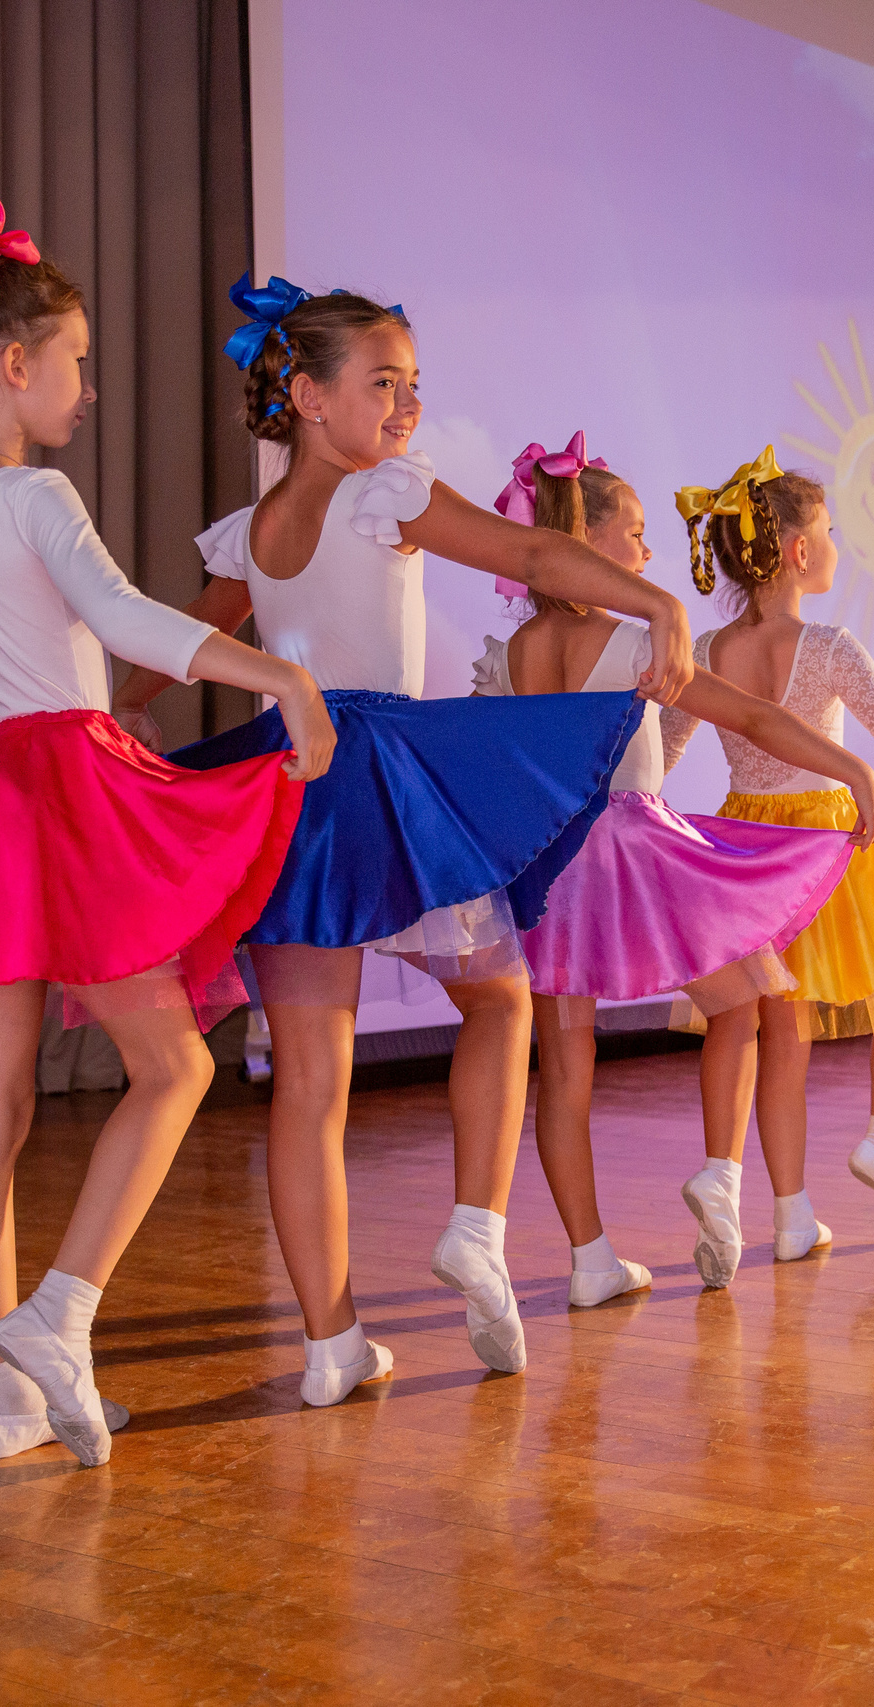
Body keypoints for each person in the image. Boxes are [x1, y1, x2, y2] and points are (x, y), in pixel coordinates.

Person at [112, 279, 693, 1405]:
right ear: (308, 395)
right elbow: (531, 560)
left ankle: (332, 1343)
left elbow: (196, 633)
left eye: (414, 387)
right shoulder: (386, 493)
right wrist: (653, 600)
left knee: (310, 1087)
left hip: (288, 785)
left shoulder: (255, 531)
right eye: (383, 384)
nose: (407, 407)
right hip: (375, 772)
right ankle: (474, 1225)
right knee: (499, 999)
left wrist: (133, 700)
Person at [0, 198, 333, 1466]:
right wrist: (278, 679)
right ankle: (62, 1311)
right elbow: (127, 621)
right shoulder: (33, 494)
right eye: (78, 361)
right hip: (60, 788)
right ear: (14, 366)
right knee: (178, 1068)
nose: (87, 387)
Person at [472, 434, 874, 1306]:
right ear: (587, 545)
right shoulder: (629, 644)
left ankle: (590, 1257)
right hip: (634, 856)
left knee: (566, 1060)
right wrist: (851, 768)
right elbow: (750, 715)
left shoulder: (505, 659)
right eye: (633, 534)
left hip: (547, 870)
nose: (648, 553)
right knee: (745, 998)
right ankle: (718, 1173)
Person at [660, 450, 874, 1285]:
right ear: (796, 551)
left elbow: (665, 753)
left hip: (748, 846)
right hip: (828, 842)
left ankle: (789, 1216)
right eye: (828, 530)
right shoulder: (826, 644)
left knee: (783, 1030)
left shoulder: (708, 647)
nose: (836, 543)